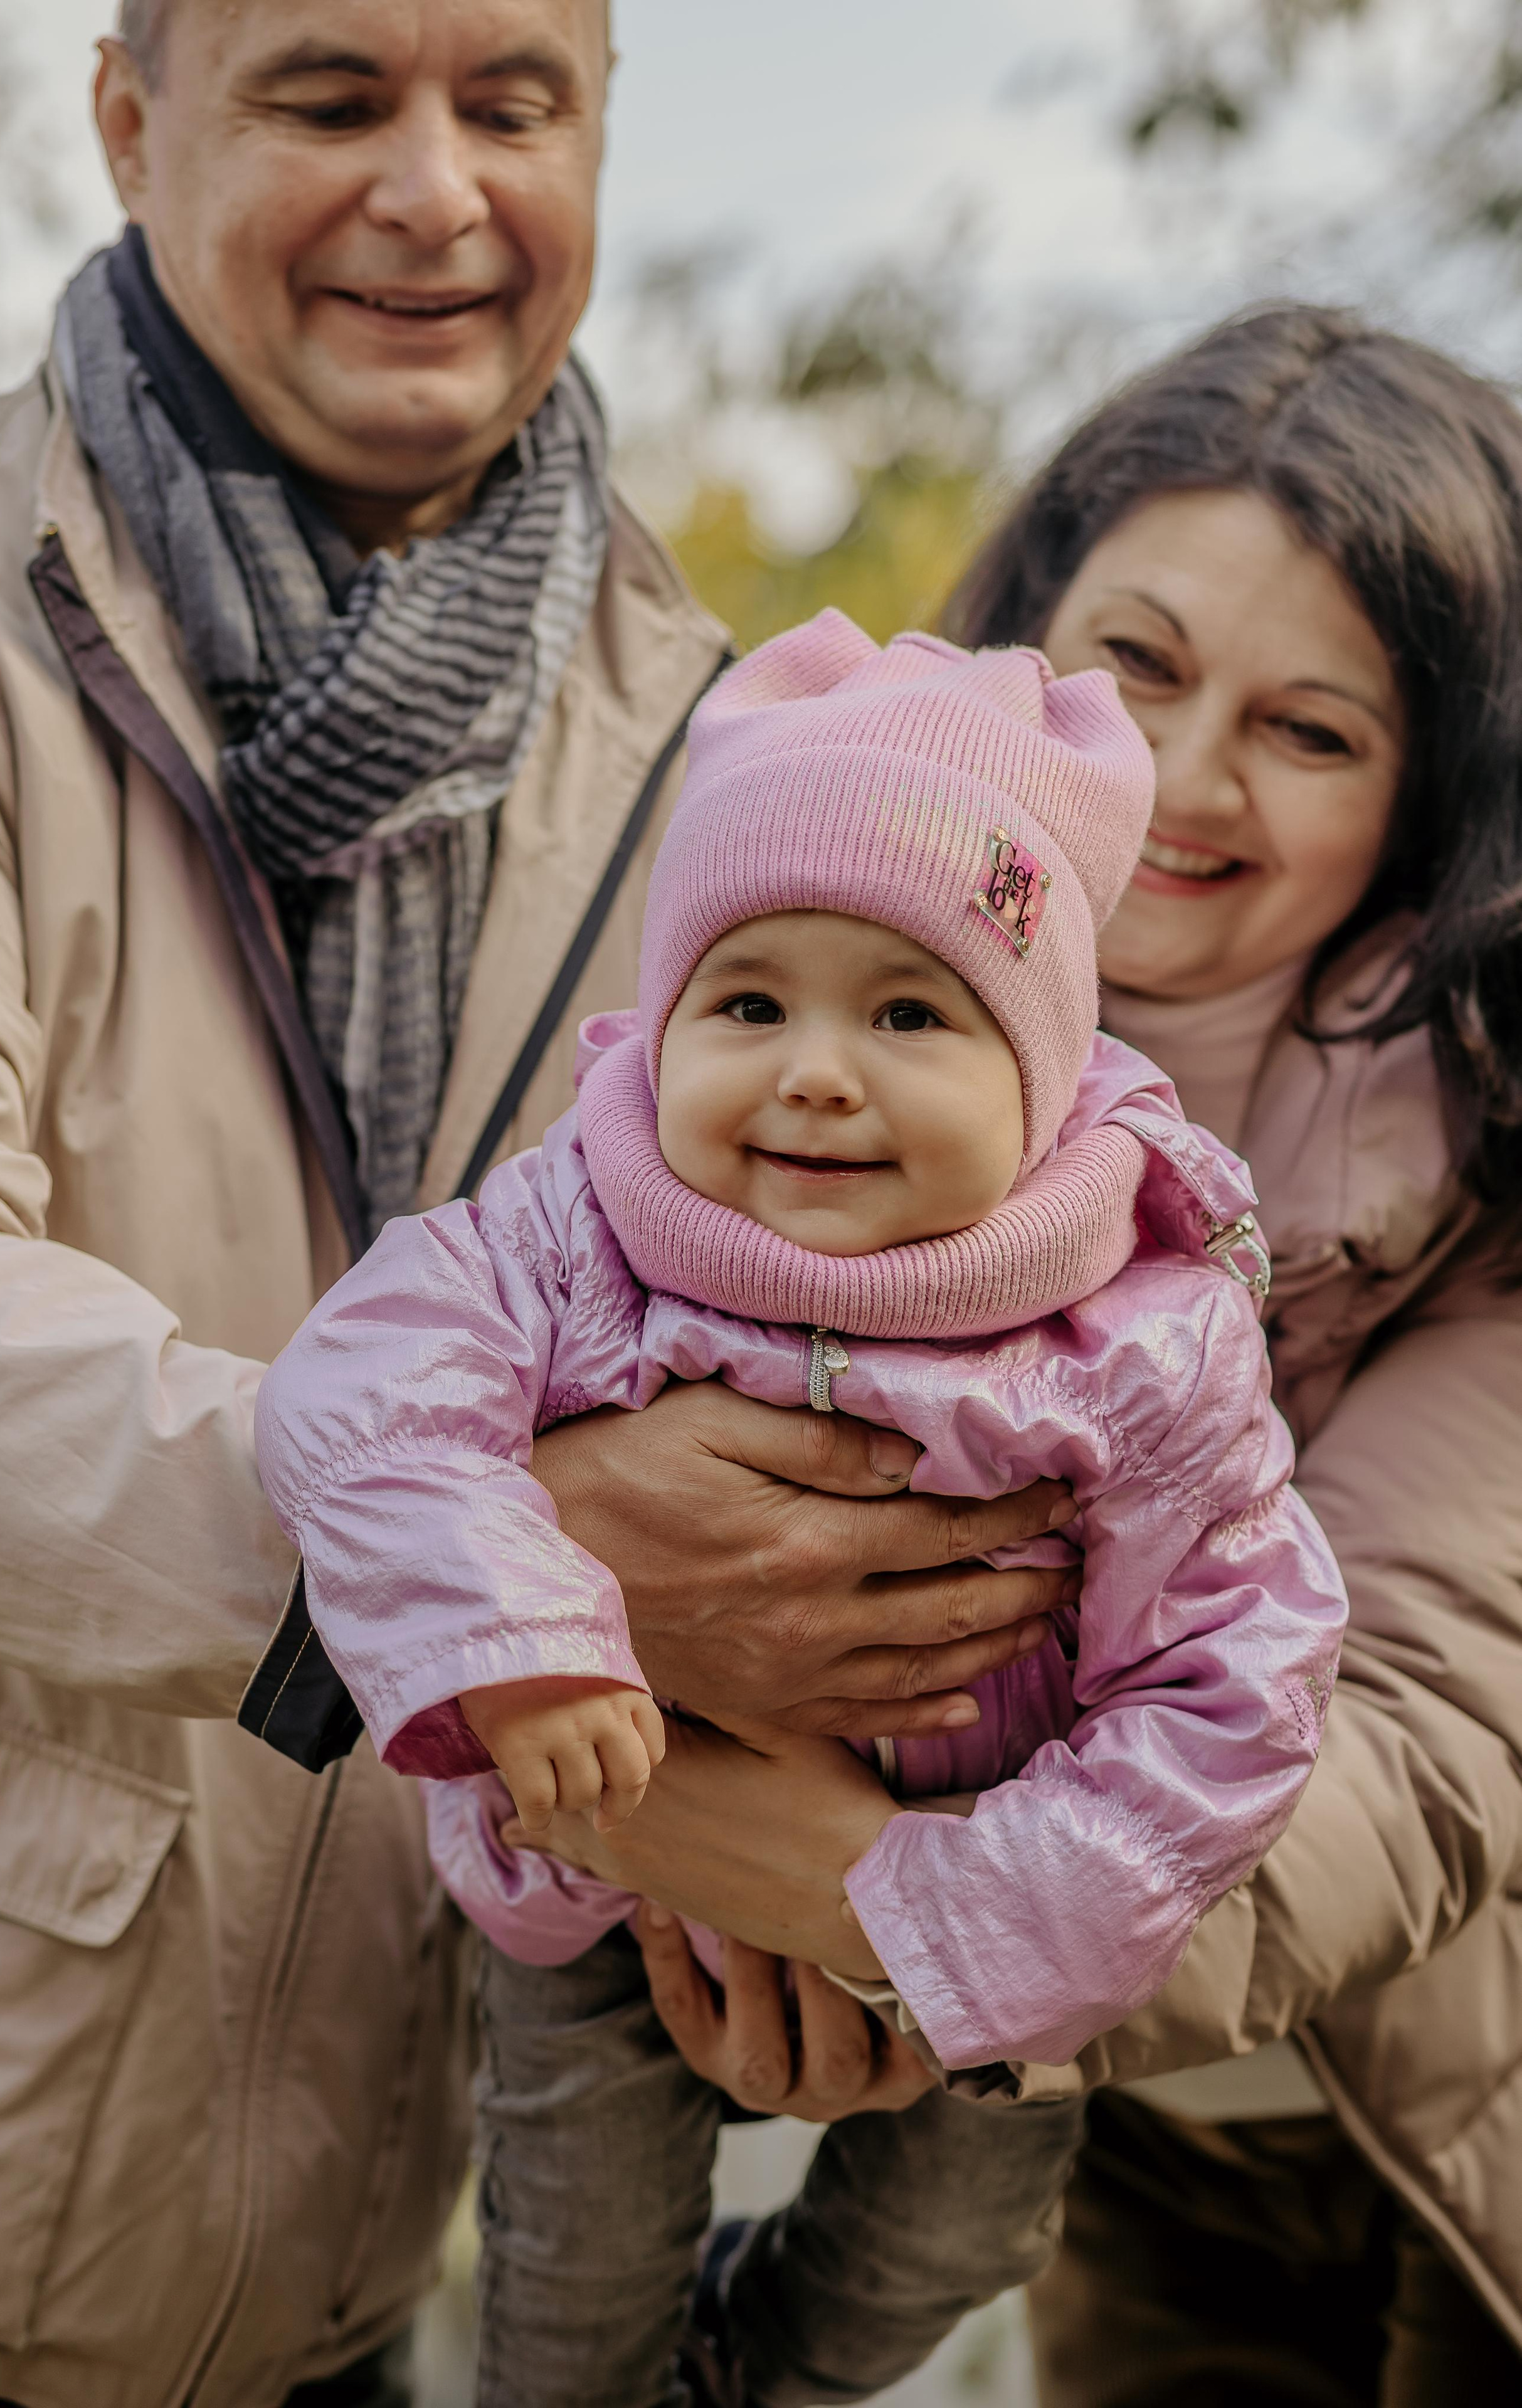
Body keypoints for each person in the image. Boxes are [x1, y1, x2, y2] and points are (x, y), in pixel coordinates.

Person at [0, 4, 1097, 2404]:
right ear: (134, 123)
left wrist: (848, 1886)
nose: (438, 192)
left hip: (373, 2230)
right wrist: (497, 1553)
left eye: (513, 103)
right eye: (333, 99)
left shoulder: (737, 739)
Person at [503, 307, 1522, 2402]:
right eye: (1141, 667)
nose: (1191, 774)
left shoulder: (1487, 1155)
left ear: (1427, 805)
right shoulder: (780, 1054)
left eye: (1315, 730)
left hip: (1451, 2121)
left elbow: (1413, 1749)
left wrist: (867, 1907)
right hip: (1123, 2147)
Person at [255, 612, 1349, 2408]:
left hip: (979, 1911)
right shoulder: (567, 1231)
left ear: (1043, 1072)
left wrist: (959, 1911)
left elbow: (1242, 1676)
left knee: (948, 2250)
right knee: (571, 2281)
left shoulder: (1131, 1338)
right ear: (670, 1018)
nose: (817, 1071)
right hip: (607, 1862)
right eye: (749, 1002)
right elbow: (356, 1401)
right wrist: (515, 1643)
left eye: (912, 1012)